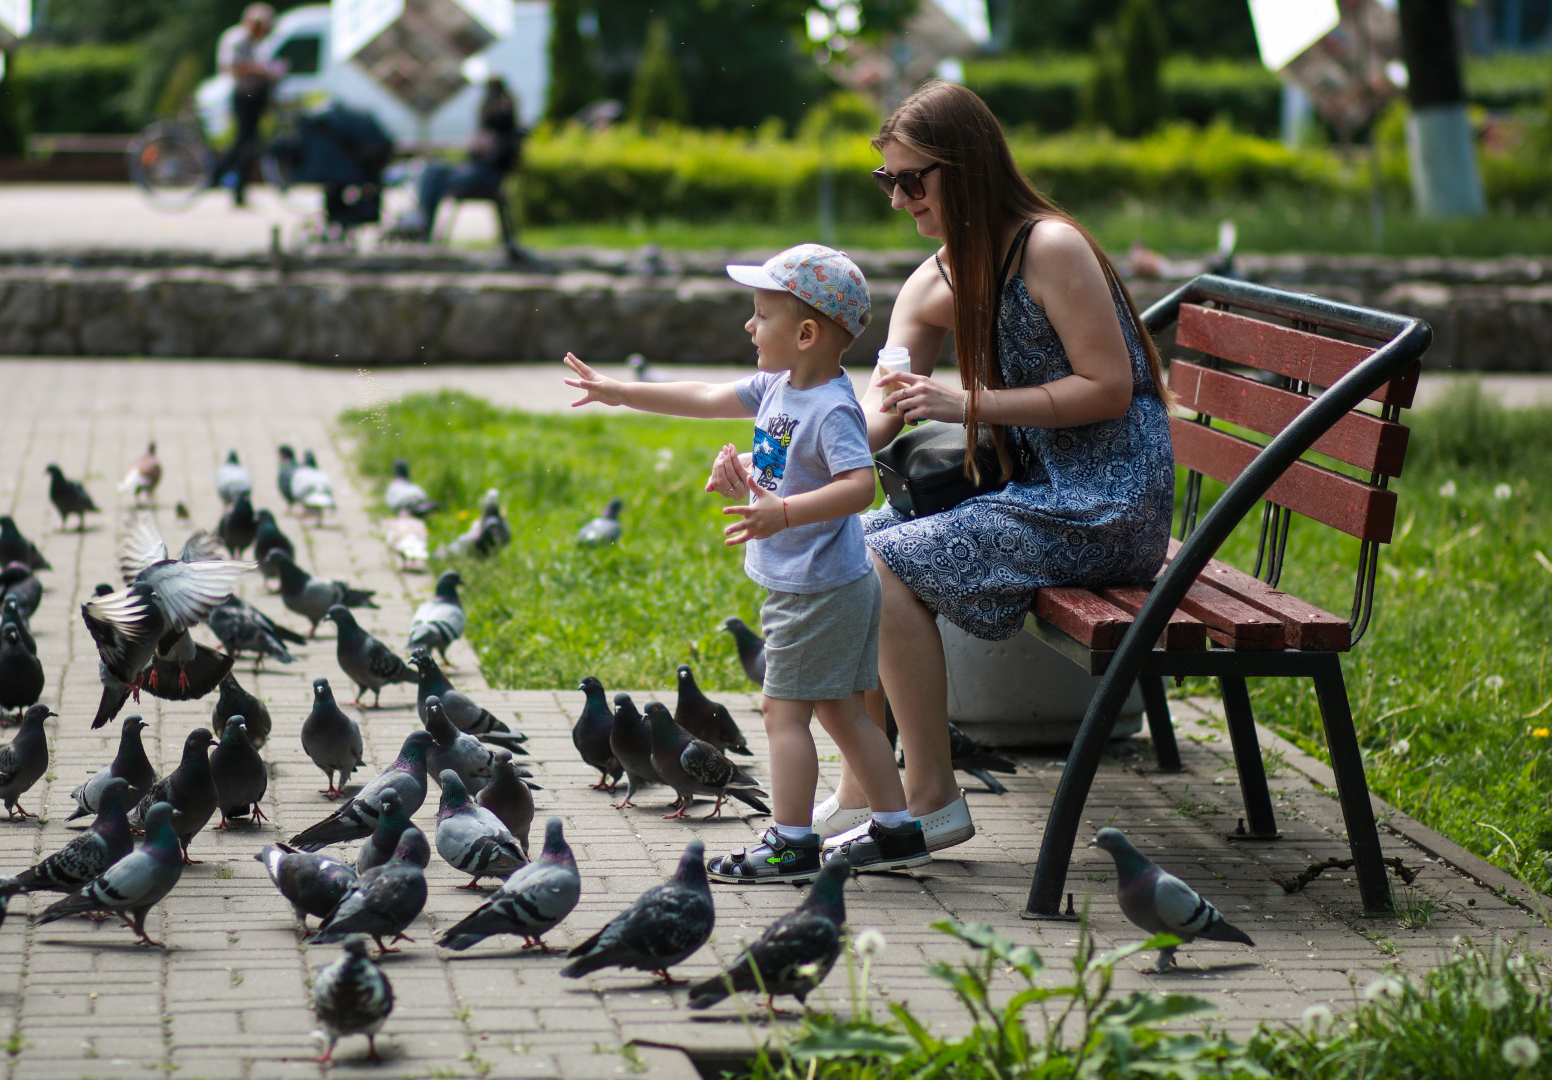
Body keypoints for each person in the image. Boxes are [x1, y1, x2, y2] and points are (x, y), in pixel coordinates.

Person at [718, 81, 1177, 856]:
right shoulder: (934, 279)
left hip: (1106, 502)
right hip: (1033, 497)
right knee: (845, 539)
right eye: (885, 182)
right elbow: (880, 411)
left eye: (911, 179)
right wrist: (793, 450)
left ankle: (931, 799)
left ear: (965, 168)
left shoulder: (1049, 247)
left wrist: (968, 403)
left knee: (877, 555)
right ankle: (867, 788)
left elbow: (1110, 389)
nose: (898, 199)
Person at [562, 245, 931, 882]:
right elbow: (706, 395)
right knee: (842, 710)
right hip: (826, 584)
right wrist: (622, 392)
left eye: (761, 315)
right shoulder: (779, 388)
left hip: (817, 589)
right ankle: (897, 829)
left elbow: (858, 488)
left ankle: (791, 841)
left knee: (781, 712)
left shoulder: (832, 407)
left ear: (807, 333)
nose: (748, 326)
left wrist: (782, 514)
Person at [396, 77, 523, 243]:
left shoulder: (506, 125)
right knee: (432, 169)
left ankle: (423, 226)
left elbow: (482, 149)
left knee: (435, 179)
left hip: (485, 175)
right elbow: (473, 149)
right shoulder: (488, 121)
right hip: (472, 169)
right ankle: (422, 221)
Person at [212, 3, 284, 207]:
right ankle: (216, 173)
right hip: (243, 96)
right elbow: (230, 65)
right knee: (243, 142)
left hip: (253, 97)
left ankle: (238, 189)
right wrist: (261, 71)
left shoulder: (254, 43)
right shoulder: (237, 39)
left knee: (250, 144)